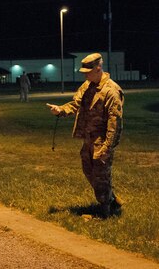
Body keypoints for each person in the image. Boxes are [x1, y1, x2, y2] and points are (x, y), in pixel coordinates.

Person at [46, 53, 124, 219]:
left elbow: (114, 122)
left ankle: (105, 213)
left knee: (101, 174)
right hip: (88, 138)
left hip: (102, 139)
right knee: (88, 170)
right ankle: (111, 199)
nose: (85, 75)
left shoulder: (111, 91)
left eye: (88, 71)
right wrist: (60, 110)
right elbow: (75, 104)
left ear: (98, 68)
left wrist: (107, 146)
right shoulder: (87, 86)